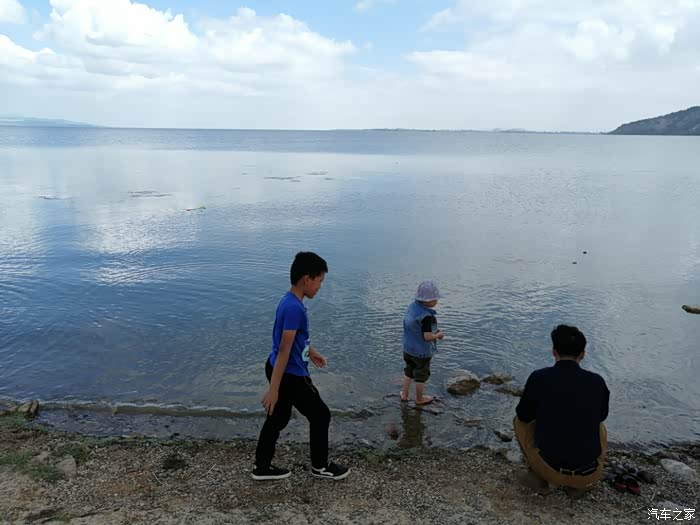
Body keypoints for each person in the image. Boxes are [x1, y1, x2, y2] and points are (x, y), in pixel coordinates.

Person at [252, 252, 350, 481]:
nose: (320, 287)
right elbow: (285, 348)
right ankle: (320, 466)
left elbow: (294, 339)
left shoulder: (288, 301)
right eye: (319, 281)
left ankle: (262, 467)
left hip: (277, 366)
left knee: (278, 418)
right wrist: (273, 389)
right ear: (307, 279)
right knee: (321, 415)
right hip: (290, 374)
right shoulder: (294, 308)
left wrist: (311, 353)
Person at [513, 325, 610, 498]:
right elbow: (602, 415)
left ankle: (538, 478)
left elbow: (523, 414)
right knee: (600, 426)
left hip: (551, 470)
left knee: (518, 421)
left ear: (554, 351)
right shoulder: (597, 381)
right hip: (590, 474)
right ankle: (577, 486)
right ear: (583, 354)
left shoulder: (539, 377)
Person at [400, 280, 445, 405]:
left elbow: (415, 327)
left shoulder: (412, 307)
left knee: (409, 372)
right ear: (428, 300)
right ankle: (419, 399)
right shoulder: (426, 317)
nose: (437, 301)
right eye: (435, 299)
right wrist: (438, 335)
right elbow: (427, 337)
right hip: (421, 353)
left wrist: (433, 330)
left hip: (408, 349)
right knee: (420, 377)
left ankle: (404, 394)